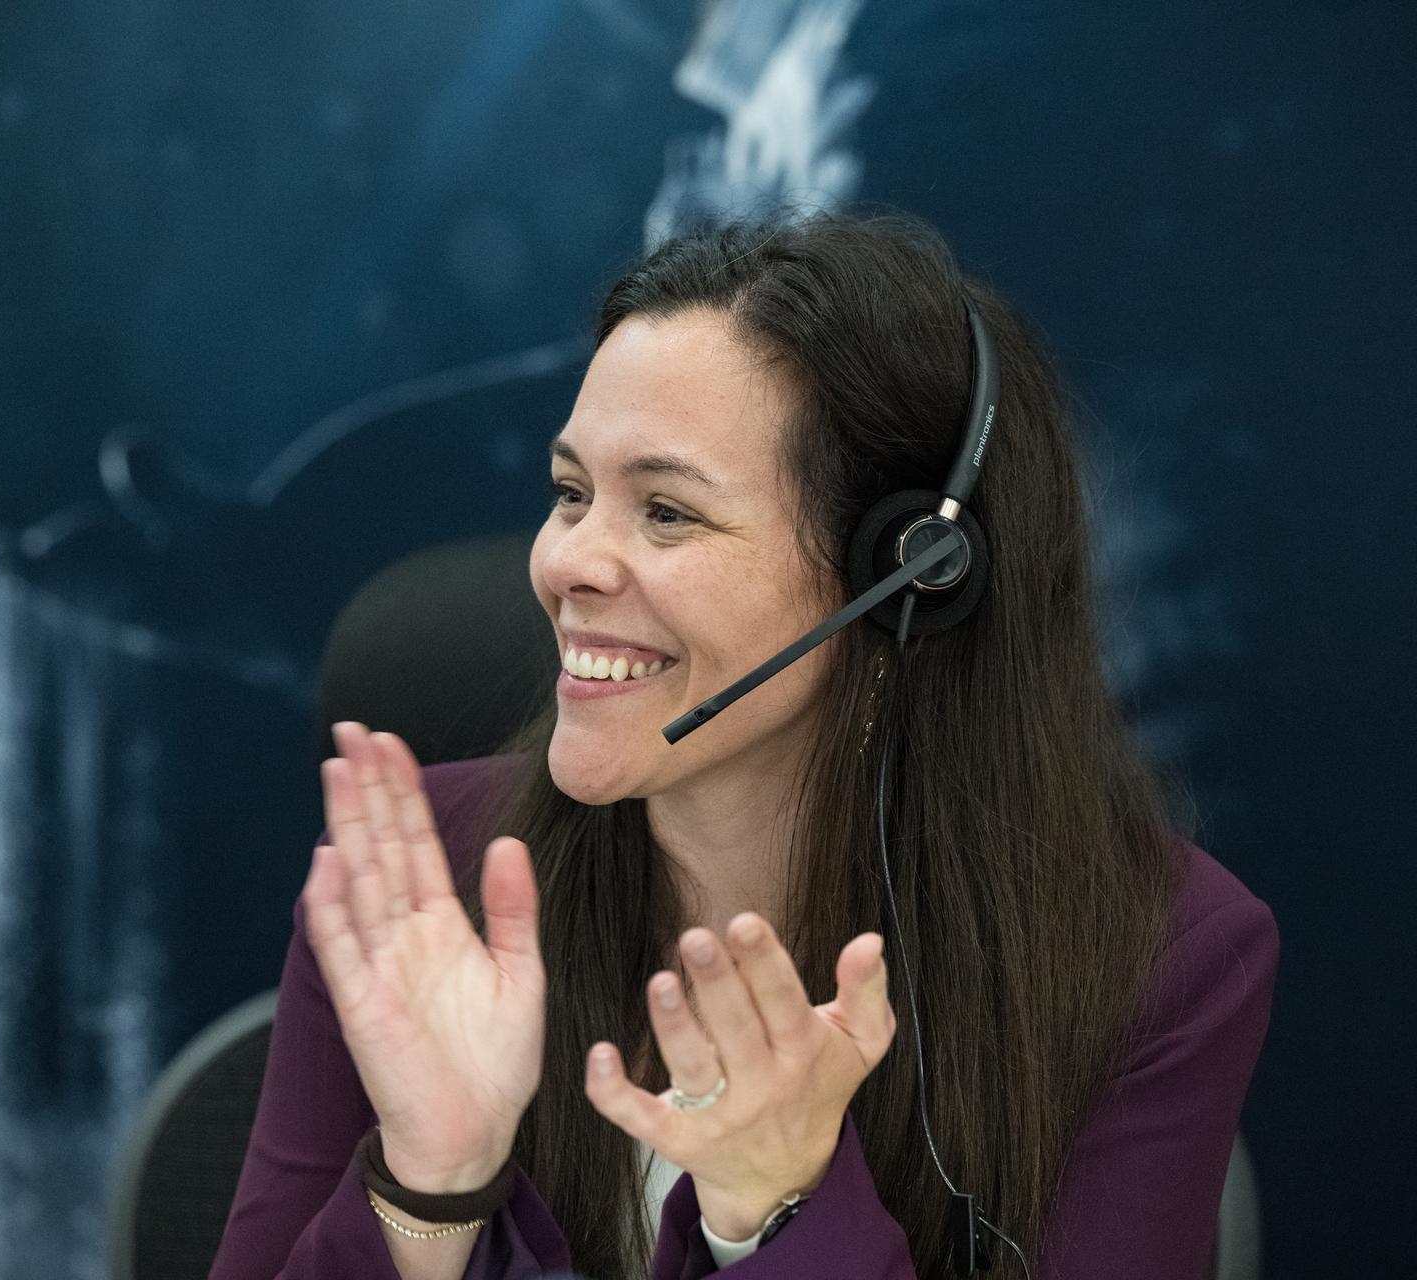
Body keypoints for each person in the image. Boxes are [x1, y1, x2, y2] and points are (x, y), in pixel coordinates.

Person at [210, 214, 1279, 1280]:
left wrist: (777, 1209)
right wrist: (430, 1185)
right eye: (571, 492)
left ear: (908, 577)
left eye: (667, 511)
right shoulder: (419, 887)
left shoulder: (1159, 949)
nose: (566, 563)